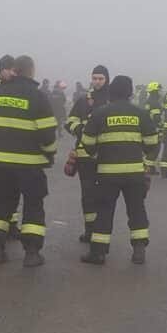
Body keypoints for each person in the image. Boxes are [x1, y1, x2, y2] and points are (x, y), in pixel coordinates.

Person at [0, 54, 58, 266]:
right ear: (31, 71)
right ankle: (31, 253)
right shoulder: (37, 96)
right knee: (33, 205)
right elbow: (48, 134)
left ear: (14, 70)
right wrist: (49, 155)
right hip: (30, 165)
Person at [78, 75, 160, 265]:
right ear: (130, 93)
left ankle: (98, 253)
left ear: (111, 92)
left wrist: (98, 152)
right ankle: (139, 250)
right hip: (134, 173)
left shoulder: (99, 113)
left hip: (107, 174)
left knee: (104, 211)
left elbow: (88, 143)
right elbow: (153, 143)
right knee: (137, 210)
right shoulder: (140, 114)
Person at [67, 65, 109, 244]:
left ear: (107, 79)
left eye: (100, 78)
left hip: (106, 156)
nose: (97, 81)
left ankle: (100, 230)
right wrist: (82, 130)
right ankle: (89, 230)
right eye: (95, 78)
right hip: (84, 156)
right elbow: (70, 121)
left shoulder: (111, 101)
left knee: (104, 195)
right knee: (87, 194)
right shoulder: (83, 100)